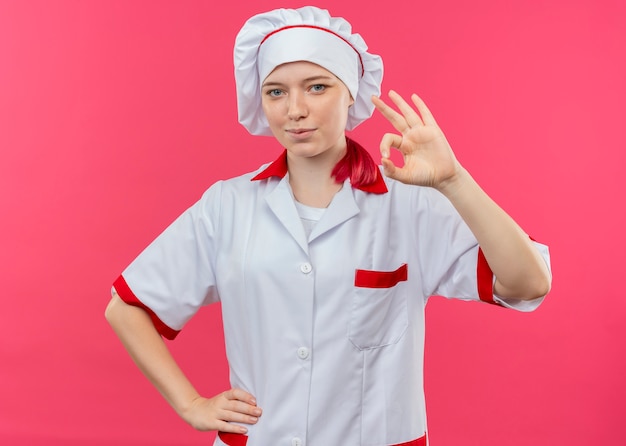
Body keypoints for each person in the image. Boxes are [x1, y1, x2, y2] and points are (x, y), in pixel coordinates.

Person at [105, 6, 552, 446]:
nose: (294, 109)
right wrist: (190, 404)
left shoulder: (410, 206)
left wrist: (454, 180)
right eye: (276, 92)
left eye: (316, 87)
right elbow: (125, 307)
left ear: (352, 93)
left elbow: (528, 283)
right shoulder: (227, 206)